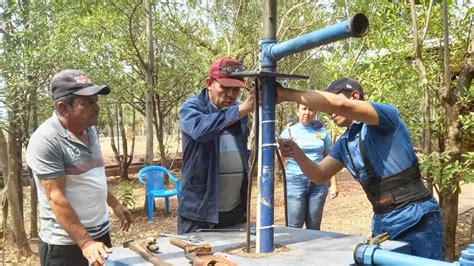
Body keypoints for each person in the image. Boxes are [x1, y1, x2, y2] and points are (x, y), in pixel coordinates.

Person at [277, 77, 444, 260]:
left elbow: (342, 106)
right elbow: (318, 175)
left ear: (355, 96)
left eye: (332, 104)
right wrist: (296, 152)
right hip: (383, 225)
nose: (330, 112)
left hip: (416, 219)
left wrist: (285, 94)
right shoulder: (344, 143)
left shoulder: (385, 116)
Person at [26, 69, 134, 266]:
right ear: (63, 107)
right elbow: (55, 197)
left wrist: (115, 204)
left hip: (99, 238)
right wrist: (85, 242)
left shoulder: (90, 130)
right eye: (87, 103)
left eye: (96, 101)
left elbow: (93, 178)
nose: (97, 108)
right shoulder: (46, 140)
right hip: (66, 246)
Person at [178, 56, 254, 234]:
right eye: (225, 88)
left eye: (236, 90)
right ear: (209, 83)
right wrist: (243, 109)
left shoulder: (239, 110)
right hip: (200, 211)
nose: (231, 95)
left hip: (234, 210)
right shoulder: (192, 107)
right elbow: (201, 130)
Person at [280, 104, 338, 230]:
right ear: (297, 111)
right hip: (295, 181)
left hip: (318, 183)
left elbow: (329, 158)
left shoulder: (322, 132)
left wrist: (333, 184)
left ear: (315, 112)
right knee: (294, 226)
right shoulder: (288, 132)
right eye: (304, 109)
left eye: (311, 109)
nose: (307, 112)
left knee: (314, 226)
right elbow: (280, 158)